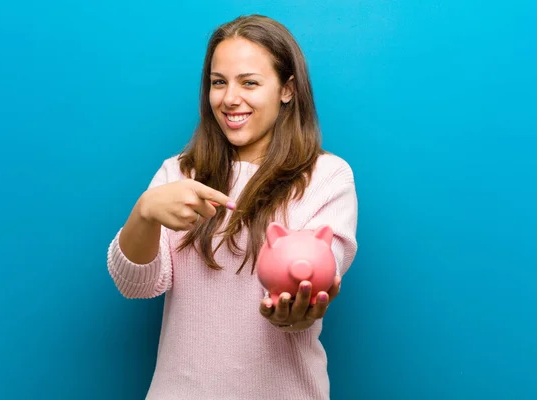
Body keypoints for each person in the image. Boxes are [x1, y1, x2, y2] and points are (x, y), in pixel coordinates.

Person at [107, 14, 358, 400]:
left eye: (250, 83)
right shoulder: (180, 172)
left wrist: (295, 316)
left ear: (287, 89)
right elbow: (135, 284)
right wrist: (144, 212)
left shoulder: (326, 177)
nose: (229, 98)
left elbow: (321, 276)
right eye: (218, 82)